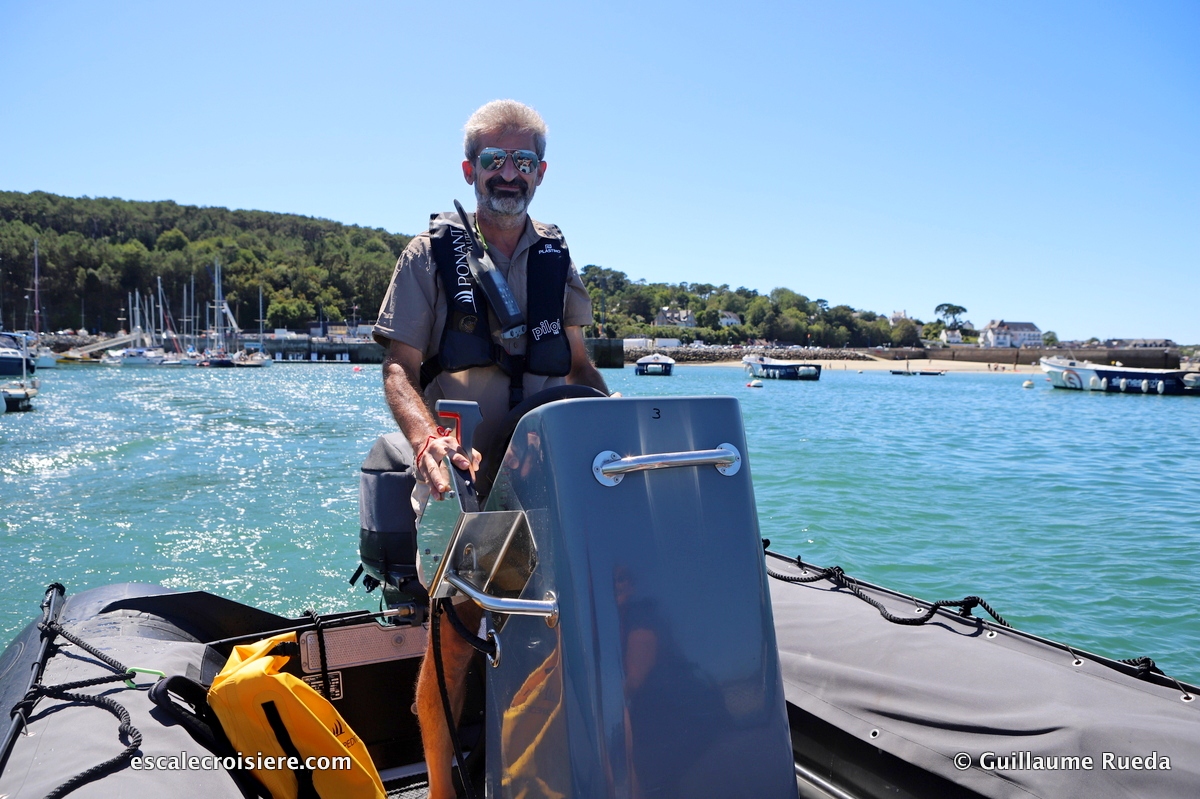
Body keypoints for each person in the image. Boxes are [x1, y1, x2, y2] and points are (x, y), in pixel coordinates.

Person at [372, 99, 609, 799]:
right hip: (464, 478)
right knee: (455, 631)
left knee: (578, 615)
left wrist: (619, 415)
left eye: (523, 161)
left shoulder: (555, 258)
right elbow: (397, 369)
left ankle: (548, 767)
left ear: (541, 171)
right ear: (471, 169)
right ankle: (443, 790)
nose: (509, 174)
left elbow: (577, 365)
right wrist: (425, 442)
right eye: (496, 161)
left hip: (547, 475)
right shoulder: (427, 257)